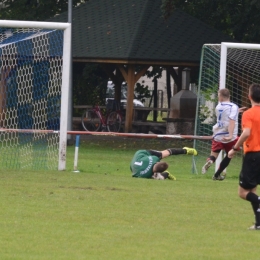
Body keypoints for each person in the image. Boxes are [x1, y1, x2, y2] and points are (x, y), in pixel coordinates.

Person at [228, 83, 260, 230]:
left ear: (249, 97)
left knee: (243, 192)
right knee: (252, 190)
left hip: (253, 155)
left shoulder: (249, 114)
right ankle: (259, 224)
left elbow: (246, 133)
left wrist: (235, 148)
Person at [202, 88, 245, 180]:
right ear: (228, 96)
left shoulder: (218, 107)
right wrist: (230, 135)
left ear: (221, 97)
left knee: (214, 154)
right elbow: (231, 120)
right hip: (230, 136)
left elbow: (225, 115)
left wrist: (237, 110)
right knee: (230, 155)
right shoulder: (233, 106)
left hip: (218, 134)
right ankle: (217, 174)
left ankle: (210, 160)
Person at [130, 147, 197, 179]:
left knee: (164, 153)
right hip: (141, 156)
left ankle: (186, 150)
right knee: (164, 154)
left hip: (141, 154)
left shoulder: (154, 159)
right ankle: (185, 150)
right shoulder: (154, 160)